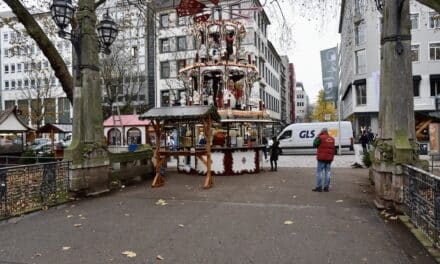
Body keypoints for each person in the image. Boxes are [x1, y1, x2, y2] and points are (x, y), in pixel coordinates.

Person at [312, 128, 335, 192]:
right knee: (328, 172)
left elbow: (314, 144)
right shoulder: (332, 139)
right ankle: (326, 187)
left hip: (321, 158)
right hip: (329, 158)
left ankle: (319, 187)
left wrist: (317, 136)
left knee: (319, 172)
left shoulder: (320, 137)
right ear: (327, 132)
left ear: (322, 132)